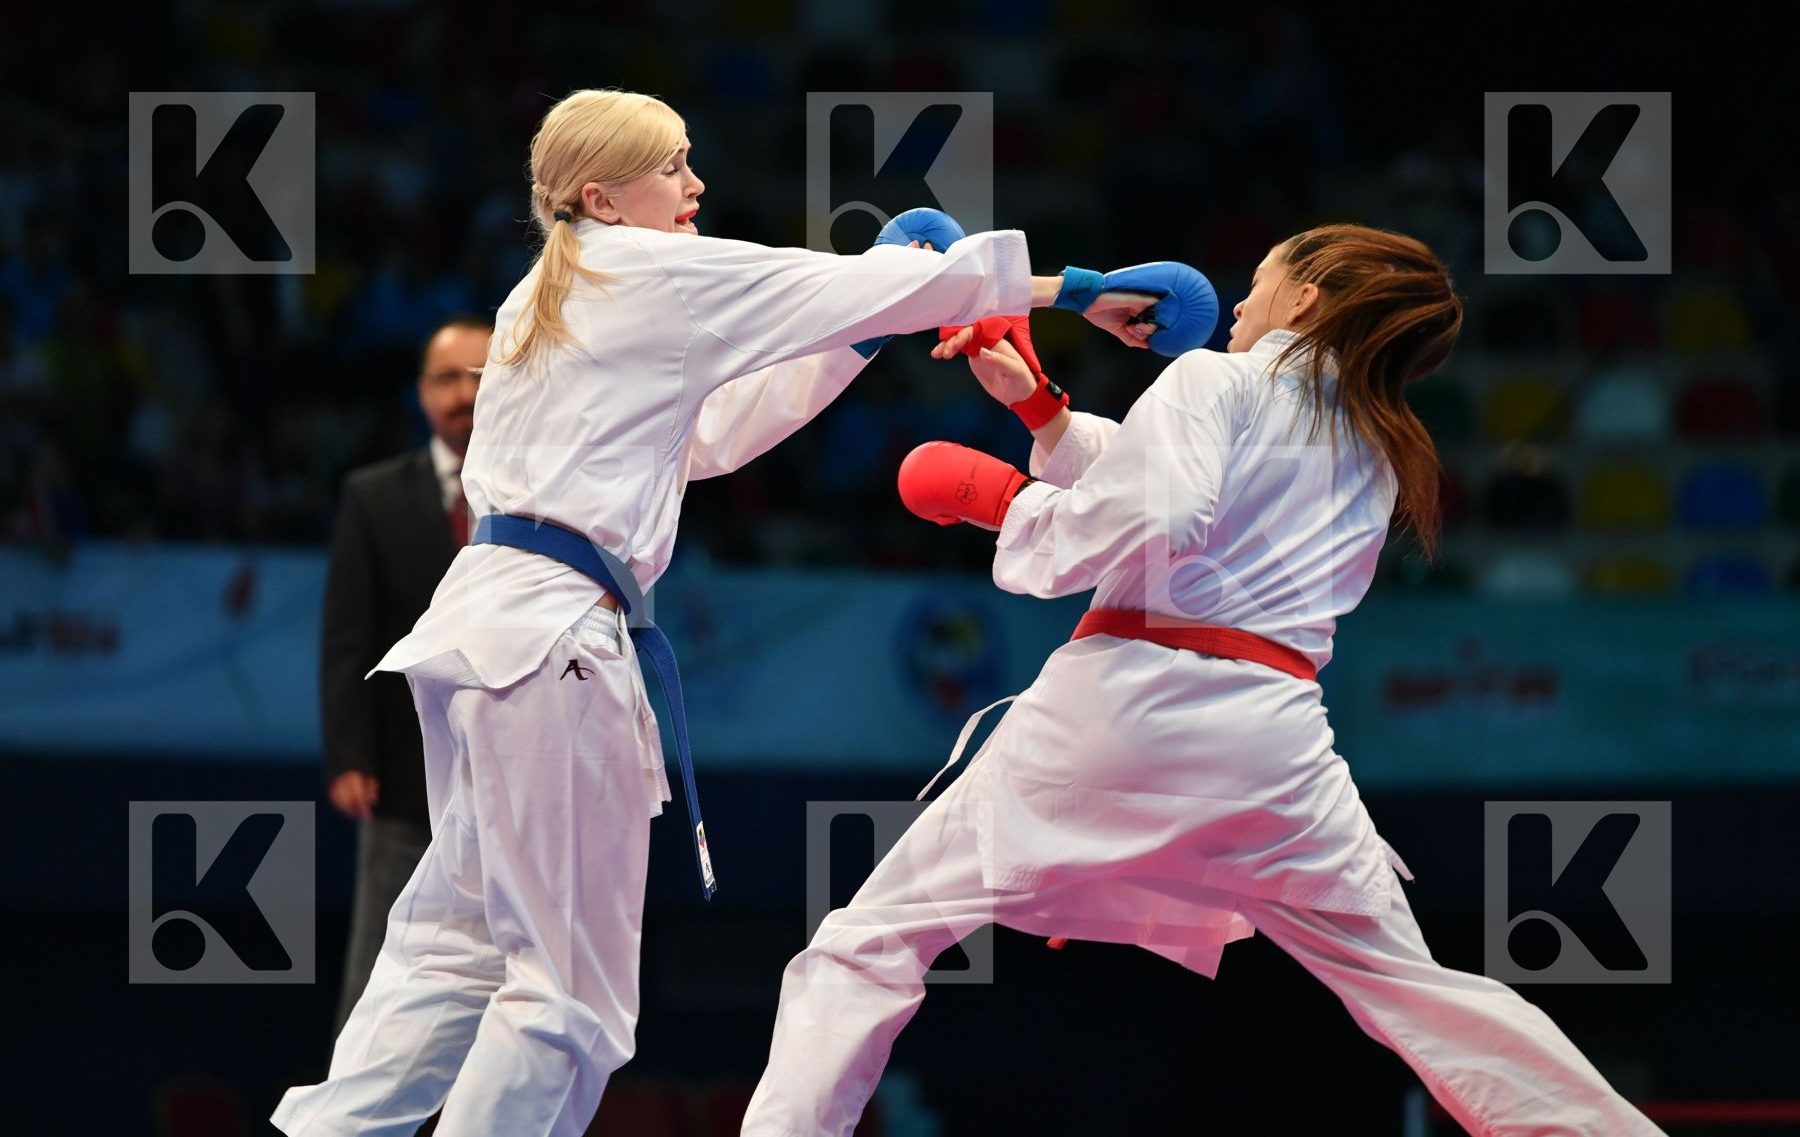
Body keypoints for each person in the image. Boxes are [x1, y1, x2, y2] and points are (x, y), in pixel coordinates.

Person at [271, 87, 1174, 1137]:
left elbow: (708, 441)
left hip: (482, 639)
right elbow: (819, 285)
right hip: (553, 643)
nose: (696, 184)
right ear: (604, 197)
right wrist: (1086, 289)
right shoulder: (648, 269)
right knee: (566, 1000)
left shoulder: (544, 299)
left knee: (450, 945)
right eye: (674, 166)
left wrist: (864, 332)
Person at [741, 225, 1665, 1136]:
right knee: (1419, 995)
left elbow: (1167, 508)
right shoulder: (1381, 442)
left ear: (1305, 298)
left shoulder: (1214, 380)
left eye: (1260, 281)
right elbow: (1194, 497)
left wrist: (1015, 508)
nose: (1235, 307)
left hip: (1124, 711)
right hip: (1272, 745)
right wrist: (1044, 413)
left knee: (868, 946)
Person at [320, 316, 492, 1038]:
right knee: (377, 977)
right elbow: (348, 632)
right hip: (403, 775)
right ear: (421, 394)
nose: (463, 394)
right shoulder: (374, 495)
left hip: (512, 776)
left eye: (480, 377)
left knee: (512, 985)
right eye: (446, 378)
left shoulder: (540, 490)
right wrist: (349, 757)